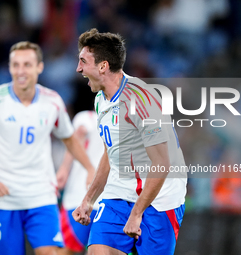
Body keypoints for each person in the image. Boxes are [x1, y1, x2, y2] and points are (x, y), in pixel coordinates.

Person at [0, 41, 95, 255]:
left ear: (39, 67)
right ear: (10, 68)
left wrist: (90, 168)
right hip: (6, 198)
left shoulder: (52, 101)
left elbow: (69, 139)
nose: (21, 71)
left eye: (27, 65)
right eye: (16, 65)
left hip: (42, 195)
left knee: (52, 252)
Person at [72, 28, 187, 255]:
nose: (79, 69)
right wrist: (89, 200)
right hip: (118, 195)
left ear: (103, 66)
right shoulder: (100, 100)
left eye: (83, 61)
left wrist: (136, 213)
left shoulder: (141, 101)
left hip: (160, 200)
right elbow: (111, 153)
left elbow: (162, 164)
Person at [56, 110, 104, 255]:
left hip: (79, 196)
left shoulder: (86, 117)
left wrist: (64, 168)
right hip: (107, 200)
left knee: (66, 249)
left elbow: (78, 136)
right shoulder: (125, 121)